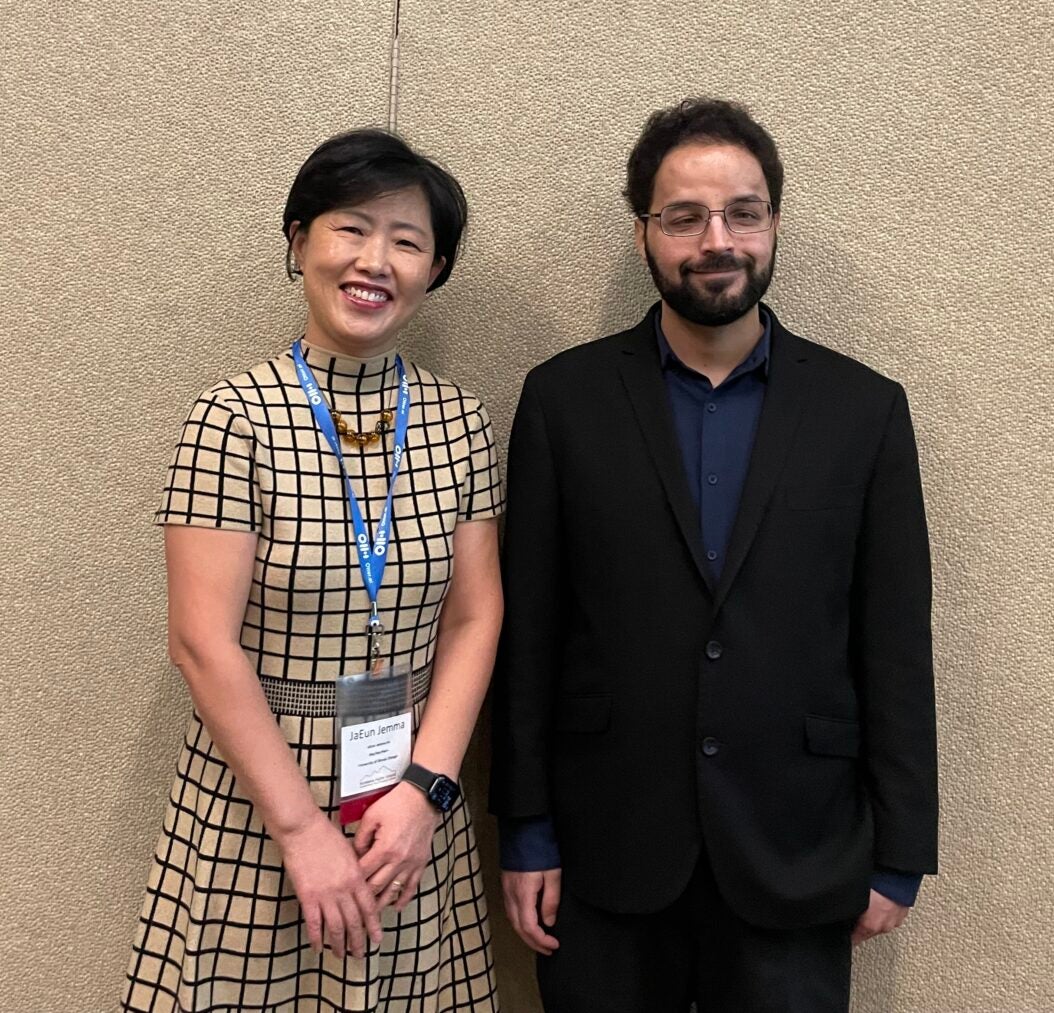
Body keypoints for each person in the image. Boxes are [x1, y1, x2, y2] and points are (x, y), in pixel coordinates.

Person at [490, 97, 938, 1013]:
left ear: (774, 221)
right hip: (604, 849)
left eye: (743, 211)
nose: (716, 239)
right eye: (684, 216)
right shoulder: (564, 399)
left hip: (797, 846)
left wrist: (901, 848)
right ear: (646, 230)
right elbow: (527, 628)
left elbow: (894, 638)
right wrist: (526, 827)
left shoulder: (866, 411)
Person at [123, 129, 504, 1012]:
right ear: (300, 242)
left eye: (408, 241)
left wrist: (426, 791)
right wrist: (299, 828)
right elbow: (200, 641)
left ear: (435, 268)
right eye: (350, 229)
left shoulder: (462, 422)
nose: (376, 260)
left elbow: (475, 617)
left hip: (404, 801)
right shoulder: (233, 416)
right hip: (258, 794)